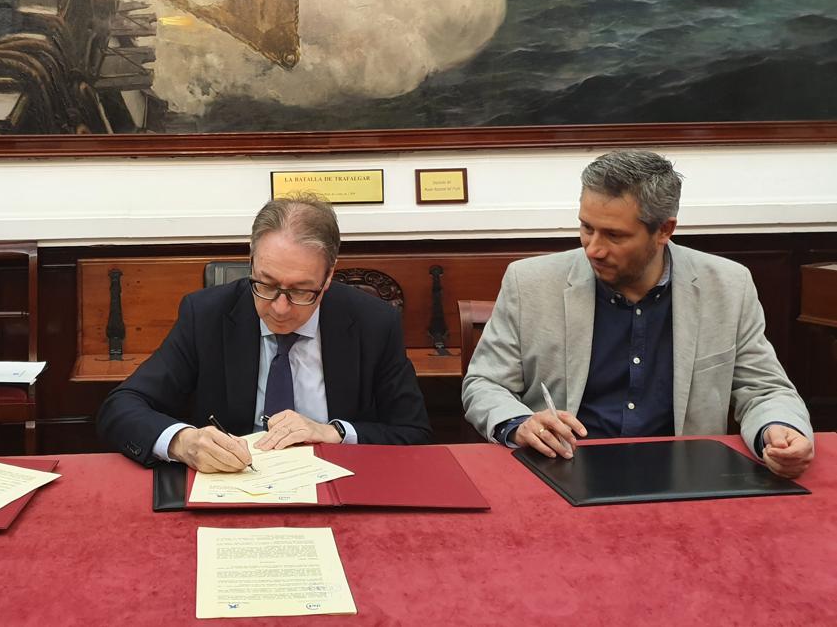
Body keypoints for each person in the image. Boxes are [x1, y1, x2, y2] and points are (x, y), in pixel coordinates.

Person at [462, 150, 813, 478]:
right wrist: (520, 423)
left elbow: (765, 390)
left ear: (664, 230)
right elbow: (485, 383)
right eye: (586, 227)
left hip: (685, 477)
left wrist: (779, 430)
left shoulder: (728, 285)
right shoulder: (530, 283)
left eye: (614, 235)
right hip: (562, 471)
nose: (593, 249)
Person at [97, 194, 431, 472]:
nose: (280, 308)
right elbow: (122, 406)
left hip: (338, 489)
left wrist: (335, 433)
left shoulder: (373, 323)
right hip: (233, 489)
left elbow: (413, 432)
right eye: (266, 285)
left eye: (302, 291)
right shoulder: (207, 315)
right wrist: (181, 441)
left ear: (328, 277)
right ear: (251, 261)